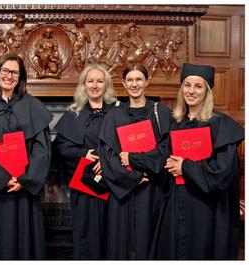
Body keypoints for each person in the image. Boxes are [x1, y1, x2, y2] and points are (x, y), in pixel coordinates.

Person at [153, 63, 244, 259]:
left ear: (207, 91)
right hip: (176, 203)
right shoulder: (175, 123)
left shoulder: (221, 124)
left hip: (205, 207)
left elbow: (223, 173)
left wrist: (185, 167)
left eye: (198, 86)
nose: (191, 91)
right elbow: (163, 160)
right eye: (187, 85)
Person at [0, 53, 52, 259]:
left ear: (21, 76)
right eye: (5, 70)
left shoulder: (33, 105)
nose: (9, 76)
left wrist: (26, 179)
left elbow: (42, 149)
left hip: (24, 188)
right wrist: (2, 178)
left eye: (14, 72)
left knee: (27, 242)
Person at [98, 64, 172, 259]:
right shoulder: (114, 115)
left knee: (148, 238)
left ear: (147, 82)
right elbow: (107, 154)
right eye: (130, 80)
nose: (134, 84)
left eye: (139, 79)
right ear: (123, 83)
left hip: (150, 189)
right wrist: (132, 177)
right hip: (121, 190)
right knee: (119, 243)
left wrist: (143, 170)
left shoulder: (160, 112)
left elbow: (165, 150)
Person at [52, 64, 118, 259]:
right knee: (86, 236)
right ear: (83, 85)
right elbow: (60, 148)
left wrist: (107, 162)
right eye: (90, 81)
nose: (95, 85)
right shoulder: (73, 114)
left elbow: (128, 149)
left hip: (114, 185)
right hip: (85, 187)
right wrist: (83, 155)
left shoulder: (119, 112)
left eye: (100, 81)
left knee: (113, 235)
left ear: (106, 85)